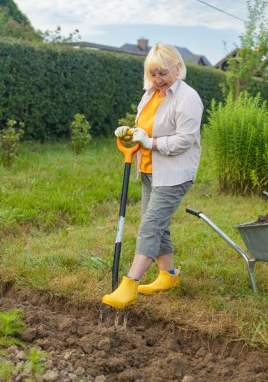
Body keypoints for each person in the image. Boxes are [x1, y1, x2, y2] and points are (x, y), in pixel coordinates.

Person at [102, 42, 203, 309]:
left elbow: (184, 140)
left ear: (178, 68)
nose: (158, 80)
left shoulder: (187, 97)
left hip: (174, 174)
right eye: (153, 74)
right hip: (149, 170)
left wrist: (151, 143)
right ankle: (167, 276)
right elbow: (143, 128)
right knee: (158, 224)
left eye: (163, 73)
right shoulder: (149, 94)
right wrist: (130, 132)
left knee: (150, 226)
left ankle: (130, 285)